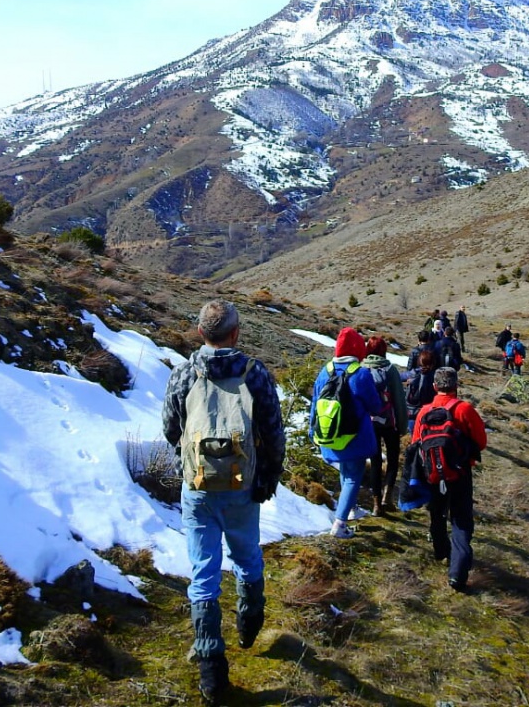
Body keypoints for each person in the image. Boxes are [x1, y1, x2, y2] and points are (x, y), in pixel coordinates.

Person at [162, 300, 286, 706]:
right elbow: (273, 432)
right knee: (248, 557)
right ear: (235, 333)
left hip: (197, 487)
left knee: (203, 574)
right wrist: (266, 477)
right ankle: (249, 625)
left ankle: (211, 671)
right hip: (242, 487)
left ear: (201, 333)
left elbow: (170, 428)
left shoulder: (184, 373)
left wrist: (189, 461)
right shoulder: (255, 374)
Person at [411, 365, 487, 591]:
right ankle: (457, 574)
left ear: (435, 386)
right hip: (460, 472)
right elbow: (481, 442)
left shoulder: (424, 412)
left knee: (437, 512)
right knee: (461, 519)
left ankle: (440, 551)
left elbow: (416, 443)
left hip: (432, 472)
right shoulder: (464, 409)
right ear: (456, 385)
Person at [309, 327, 382, 538]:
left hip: (329, 434)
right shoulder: (361, 373)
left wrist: (311, 431)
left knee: (345, 471)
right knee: (353, 475)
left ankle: (350, 509)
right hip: (354, 436)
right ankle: (340, 524)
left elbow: (315, 403)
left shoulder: (325, 371)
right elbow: (374, 406)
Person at [362, 335, 408, 515]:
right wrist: (402, 425)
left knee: (374, 462)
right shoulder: (390, 369)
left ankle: (375, 505)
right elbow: (399, 399)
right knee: (393, 459)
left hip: (369, 421)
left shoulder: (361, 368)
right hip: (389, 422)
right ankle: (387, 498)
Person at [404, 346, 439, 433]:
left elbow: (398, 376)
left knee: (414, 437)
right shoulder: (435, 377)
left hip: (412, 412)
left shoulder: (412, 374)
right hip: (428, 413)